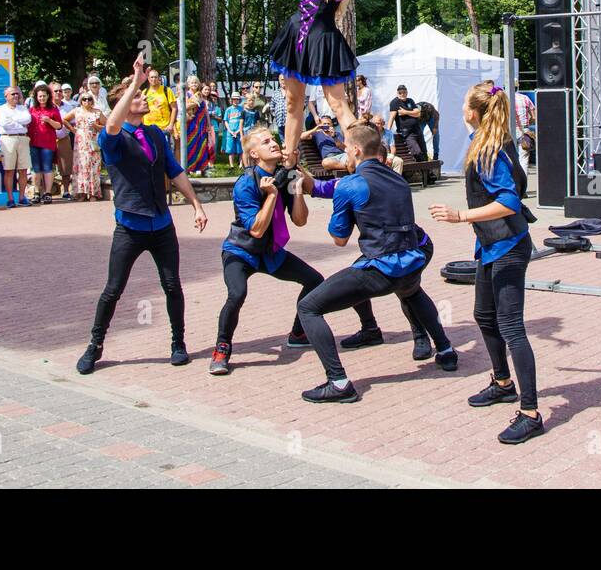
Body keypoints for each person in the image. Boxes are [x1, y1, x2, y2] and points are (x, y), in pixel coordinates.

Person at [291, 124, 456, 402]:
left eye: (345, 147)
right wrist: (301, 175)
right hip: (413, 258)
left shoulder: (350, 185)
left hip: (382, 268)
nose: (344, 152)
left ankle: (339, 382)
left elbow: (339, 239)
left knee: (308, 307)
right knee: (411, 291)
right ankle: (445, 350)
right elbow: (323, 187)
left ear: (355, 150)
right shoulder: (399, 180)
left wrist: (338, 214)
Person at [76, 53, 209, 375]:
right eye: (137, 96)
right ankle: (95, 346)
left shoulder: (155, 134)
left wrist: (196, 204)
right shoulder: (112, 139)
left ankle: (178, 343)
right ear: (123, 104)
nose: (144, 97)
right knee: (113, 289)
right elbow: (110, 123)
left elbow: (174, 171)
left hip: (161, 225)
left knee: (172, 285)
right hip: (130, 226)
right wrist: (134, 80)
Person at [430, 82, 543, 445]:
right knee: (483, 314)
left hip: (509, 245)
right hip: (492, 246)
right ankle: (502, 382)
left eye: (465, 104)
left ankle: (531, 413)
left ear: (474, 112)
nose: (461, 108)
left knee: (511, 327)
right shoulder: (490, 139)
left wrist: (460, 215)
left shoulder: (491, 149)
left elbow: (509, 201)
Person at [207, 125, 323, 377]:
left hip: (270, 252)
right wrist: (271, 196)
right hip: (241, 251)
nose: (274, 144)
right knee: (237, 294)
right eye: (266, 141)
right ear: (254, 154)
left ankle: (297, 333)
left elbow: (300, 220)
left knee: (314, 281)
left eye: (274, 139)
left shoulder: (286, 176)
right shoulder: (246, 183)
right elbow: (256, 230)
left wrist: (298, 189)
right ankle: (222, 348)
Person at [268, 0, 362, 172]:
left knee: (337, 103)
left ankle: (366, 156)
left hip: (321, 37)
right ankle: (289, 160)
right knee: (292, 102)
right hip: (295, 38)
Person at [64, 91, 106, 200]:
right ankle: (81, 193)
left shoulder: (97, 112)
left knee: (93, 167)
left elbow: (107, 125)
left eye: (89, 99)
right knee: (81, 167)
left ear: (92, 101)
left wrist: (97, 126)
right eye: (84, 99)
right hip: (80, 143)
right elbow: (64, 120)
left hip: (93, 141)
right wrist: (73, 129)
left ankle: (93, 193)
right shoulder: (77, 111)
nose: (87, 101)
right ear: (81, 101)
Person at [0, 86, 33, 207]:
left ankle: (22, 197)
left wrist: (14, 121)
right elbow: (4, 123)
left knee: (23, 170)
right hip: (8, 139)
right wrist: (20, 123)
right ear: (6, 96)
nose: (15, 96)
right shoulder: (0, 109)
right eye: (12, 94)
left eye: (17, 93)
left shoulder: (22, 108)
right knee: (9, 170)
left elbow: (28, 119)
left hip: (22, 138)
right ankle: (10, 199)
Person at [27, 84, 62, 204]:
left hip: (47, 142)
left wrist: (49, 120)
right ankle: (37, 192)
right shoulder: (32, 109)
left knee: (47, 167)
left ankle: (47, 193)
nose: (42, 98)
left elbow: (59, 125)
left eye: (44, 96)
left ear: (48, 96)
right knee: (36, 169)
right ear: (36, 97)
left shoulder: (53, 109)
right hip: (34, 142)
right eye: (39, 96)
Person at [183, 78, 215, 176]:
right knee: (191, 144)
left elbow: (205, 110)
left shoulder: (200, 94)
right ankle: (190, 168)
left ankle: (201, 167)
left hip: (201, 123)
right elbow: (183, 107)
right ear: (188, 84)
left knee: (202, 145)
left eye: (196, 82)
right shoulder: (186, 94)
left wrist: (209, 125)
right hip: (190, 123)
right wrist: (194, 102)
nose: (194, 84)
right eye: (192, 82)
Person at [388, 85, 426, 161]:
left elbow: (418, 113)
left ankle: (427, 171)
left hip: (417, 130)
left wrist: (405, 112)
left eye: (404, 92)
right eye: (400, 93)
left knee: (424, 151)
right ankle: (418, 170)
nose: (402, 94)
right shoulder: (395, 102)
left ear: (407, 92)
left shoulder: (410, 100)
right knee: (417, 152)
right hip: (407, 132)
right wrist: (387, 131)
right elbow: (391, 118)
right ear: (397, 93)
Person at [53, 83, 77, 199]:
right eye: (56, 91)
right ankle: (44, 192)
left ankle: (66, 191)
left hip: (64, 138)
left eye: (60, 91)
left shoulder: (68, 106)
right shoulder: (46, 106)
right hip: (48, 140)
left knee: (66, 166)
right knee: (47, 166)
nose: (58, 93)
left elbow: (73, 122)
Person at [142, 66, 178, 141]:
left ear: (159, 78)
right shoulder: (144, 92)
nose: (153, 79)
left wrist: (171, 125)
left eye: (155, 77)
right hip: (148, 128)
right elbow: (141, 110)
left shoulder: (167, 90)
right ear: (148, 79)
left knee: (164, 151)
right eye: (151, 77)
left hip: (164, 128)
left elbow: (174, 108)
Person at [513, 89, 536, 176]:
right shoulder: (525, 98)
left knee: (510, 157)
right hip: (524, 130)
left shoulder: (505, 99)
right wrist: (527, 123)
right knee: (524, 159)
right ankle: (523, 185)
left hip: (509, 131)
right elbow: (533, 117)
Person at [223, 91, 245, 167]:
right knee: (230, 149)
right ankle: (231, 165)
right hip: (230, 132)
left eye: (237, 99)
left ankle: (241, 164)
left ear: (239, 100)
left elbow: (243, 121)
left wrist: (239, 131)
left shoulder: (242, 109)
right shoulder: (228, 110)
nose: (236, 101)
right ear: (231, 100)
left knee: (240, 149)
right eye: (234, 99)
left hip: (239, 131)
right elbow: (226, 121)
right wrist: (230, 131)